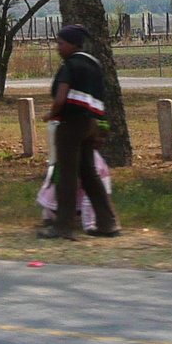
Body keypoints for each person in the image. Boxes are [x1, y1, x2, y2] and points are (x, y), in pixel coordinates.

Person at [39, 24, 120, 240]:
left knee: (67, 176)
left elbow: (60, 98)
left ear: (73, 44)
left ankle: (62, 227)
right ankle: (108, 223)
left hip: (70, 125)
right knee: (89, 174)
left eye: (61, 43)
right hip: (91, 124)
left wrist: (52, 113)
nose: (58, 48)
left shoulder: (70, 65)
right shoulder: (94, 65)